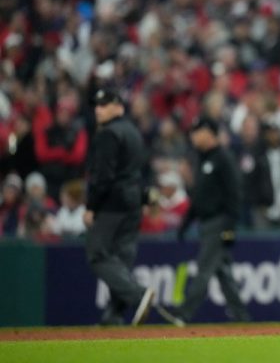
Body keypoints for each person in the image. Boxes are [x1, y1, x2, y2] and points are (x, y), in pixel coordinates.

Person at [169, 116, 250, 325]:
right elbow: (198, 198)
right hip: (206, 223)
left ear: (209, 133)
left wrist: (230, 227)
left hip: (219, 222)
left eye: (198, 131)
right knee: (223, 273)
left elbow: (235, 193)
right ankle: (241, 317)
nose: (193, 136)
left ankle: (183, 314)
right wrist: (185, 224)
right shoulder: (201, 158)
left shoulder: (223, 157)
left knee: (204, 269)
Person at [84, 88, 154, 326]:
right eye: (97, 105)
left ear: (118, 106)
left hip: (113, 201)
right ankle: (113, 316)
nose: (98, 109)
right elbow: (141, 169)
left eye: (104, 105)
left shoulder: (108, 133)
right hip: (133, 199)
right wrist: (143, 198)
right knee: (122, 256)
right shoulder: (133, 132)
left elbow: (103, 176)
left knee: (97, 253)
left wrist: (91, 206)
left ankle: (138, 294)